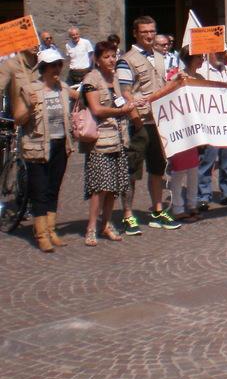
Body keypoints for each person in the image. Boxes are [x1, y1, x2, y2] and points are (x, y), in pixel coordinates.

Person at [116, 16, 183, 233]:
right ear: (135, 33)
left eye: (152, 31)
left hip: (159, 121)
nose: (149, 35)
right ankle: (127, 215)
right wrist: (136, 122)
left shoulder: (161, 57)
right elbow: (125, 93)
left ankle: (157, 210)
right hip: (138, 122)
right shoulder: (126, 60)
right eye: (144, 32)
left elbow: (163, 86)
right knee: (132, 170)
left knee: (157, 168)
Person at [12, 49, 76, 252]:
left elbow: (79, 98)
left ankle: (51, 229)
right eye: (52, 65)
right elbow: (18, 119)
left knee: (53, 188)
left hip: (60, 144)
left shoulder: (63, 88)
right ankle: (41, 234)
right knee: (39, 190)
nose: (57, 69)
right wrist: (30, 107)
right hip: (38, 146)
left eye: (59, 64)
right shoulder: (30, 90)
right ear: (43, 68)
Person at [80, 41, 135, 245]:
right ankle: (91, 227)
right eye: (106, 57)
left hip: (119, 138)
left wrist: (130, 104)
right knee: (100, 188)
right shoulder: (91, 79)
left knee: (114, 187)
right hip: (100, 139)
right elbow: (97, 109)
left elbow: (119, 101)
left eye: (113, 56)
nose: (111, 60)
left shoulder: (115, 78)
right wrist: (121, 111)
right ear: (97, 59)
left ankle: (106, 225)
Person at [196, 50, 227, 209]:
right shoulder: (201, 71)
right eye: (217, 53)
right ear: (209, 53)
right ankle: (203, 196)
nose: (221, 56)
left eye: (223, 53)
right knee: (207, 160)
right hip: (209, 124)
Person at [167, 47, 201, 223]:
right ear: (191, 58)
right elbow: (167, 94)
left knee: (194, 169)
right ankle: (178, 207)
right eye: (199, 57)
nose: (202, 60)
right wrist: (176, 81)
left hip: (196, 128)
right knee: (179, 169)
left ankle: (192, 204)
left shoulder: (200, 77)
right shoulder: (177, 76)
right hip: (180, 127)